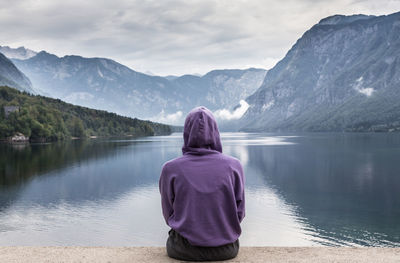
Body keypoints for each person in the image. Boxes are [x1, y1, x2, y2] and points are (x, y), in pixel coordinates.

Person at [159, 106, 245, 261]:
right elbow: (239, 212)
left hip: (183, 249)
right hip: (226, 249)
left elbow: (168, 214)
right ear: (215, 132)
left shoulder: (170, 169)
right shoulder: (234, 166)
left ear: (186, 133)